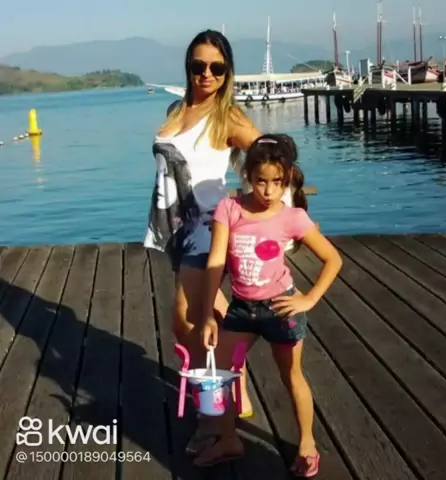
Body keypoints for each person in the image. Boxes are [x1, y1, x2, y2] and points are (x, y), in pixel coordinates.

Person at [143, 29, 278, 455]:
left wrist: (268, 209)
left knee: (189, 322)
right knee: (211, 314)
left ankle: (218, 424)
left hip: (207, 225)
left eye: (216, 68)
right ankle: (235, 393)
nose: (206, 74)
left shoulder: (228, 117)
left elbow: (270, 158)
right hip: (178, 224)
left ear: (226, 72)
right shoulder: (176, 109)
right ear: (188, 66)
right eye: (198, 65)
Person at [198, 133, 343, 476]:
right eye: (260, 181)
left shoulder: (293, 217)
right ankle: (229, 439)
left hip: (280, 309)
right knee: (221, 374)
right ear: (248, 176)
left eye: (277, 182)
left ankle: (306, 443)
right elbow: (216, 262)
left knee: (291, 375)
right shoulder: (229, 209)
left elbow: (333, 259)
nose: (268, 190)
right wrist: (207, 315)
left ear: (287, 178)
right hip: (241, 309)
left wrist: (309, 298)